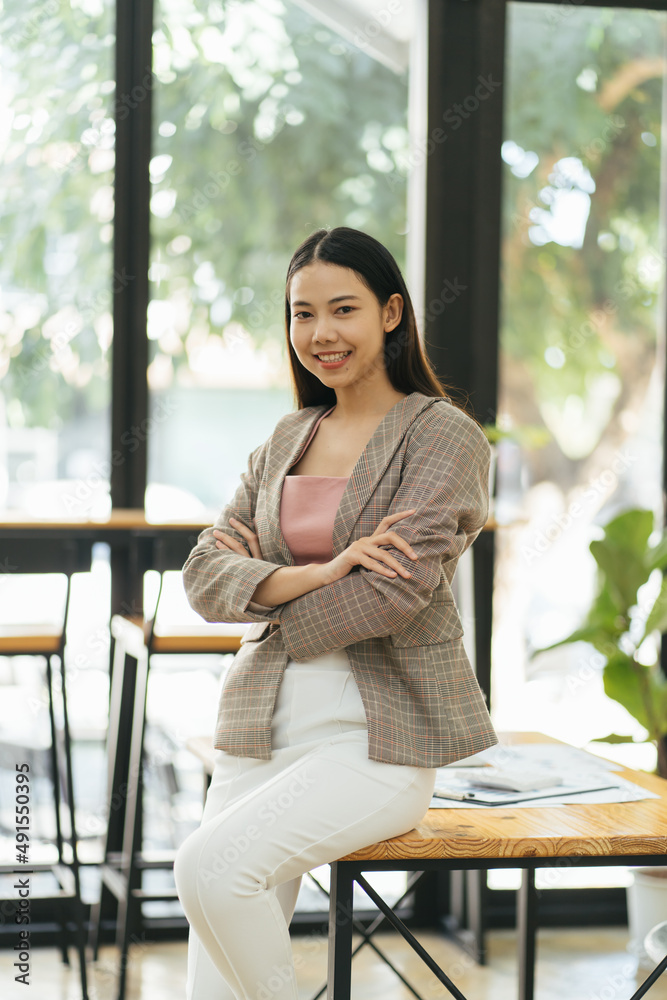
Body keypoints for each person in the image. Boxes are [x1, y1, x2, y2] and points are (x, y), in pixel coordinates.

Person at [173, 226, 497, 1000]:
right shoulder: (285, 438)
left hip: (375, 742)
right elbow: (200, 576)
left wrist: (270, 587)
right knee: (209, 983)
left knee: (209, 870)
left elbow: (393, 591)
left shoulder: (441, 434)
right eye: (301, 314)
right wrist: (321, 571)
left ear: (390, 313)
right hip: (258, 727)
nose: (320, 333)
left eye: (342, 309)